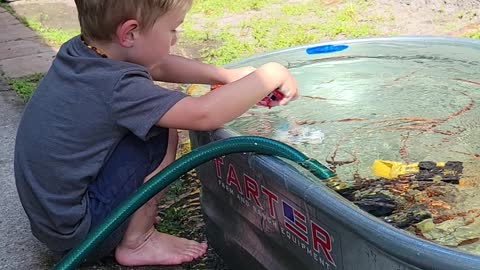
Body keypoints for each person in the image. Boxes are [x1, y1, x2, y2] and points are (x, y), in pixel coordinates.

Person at [14, 0, 299, 267]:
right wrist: (269, 74)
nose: (175, 38)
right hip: (82, 237)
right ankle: (138, 241)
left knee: (149, 123)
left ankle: (127, 222)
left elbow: (157, 64)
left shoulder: (86, 52)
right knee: (160, 132)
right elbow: (203, 115)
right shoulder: (118, 87)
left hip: (54, 221)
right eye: (173, 29)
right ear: (130, 33)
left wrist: (227, 77)